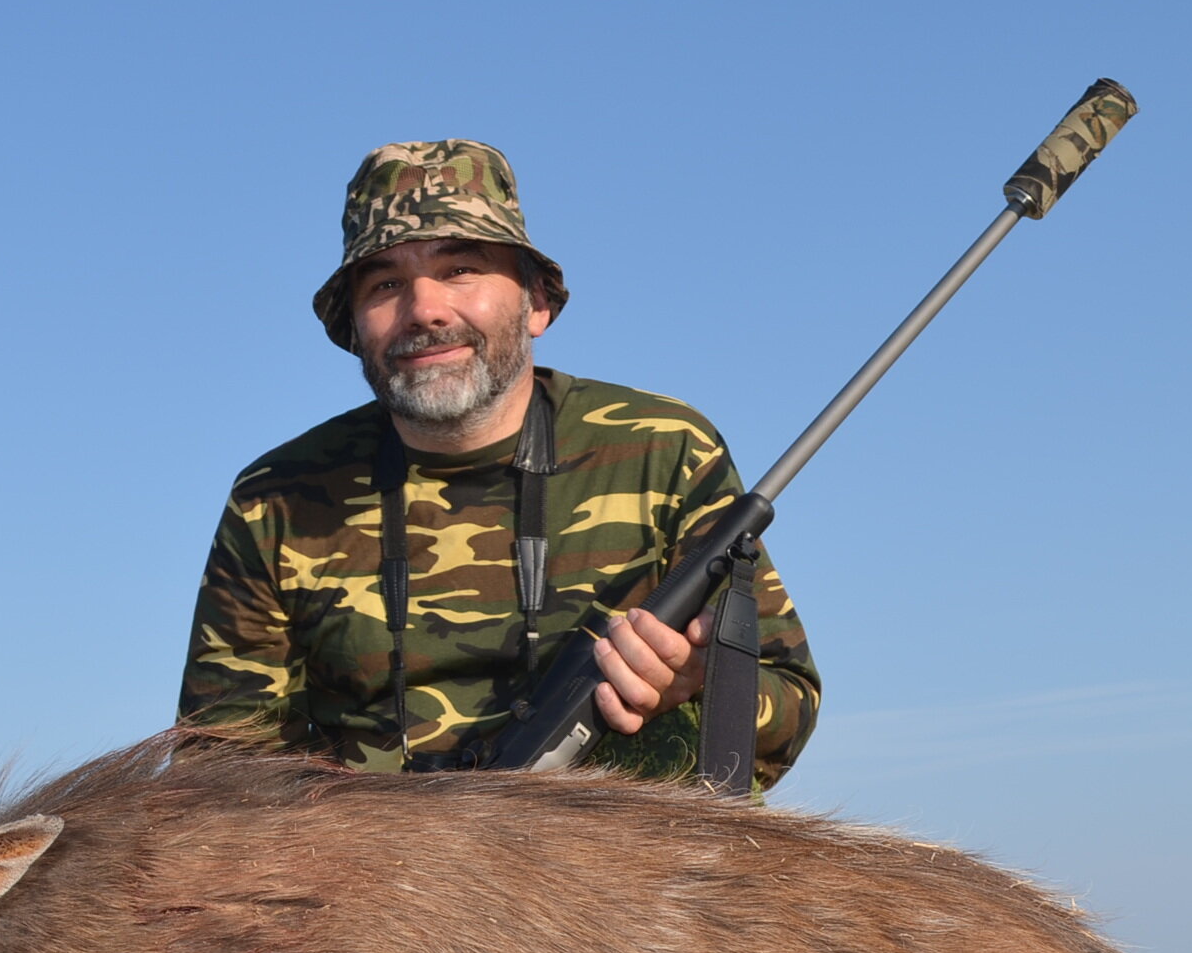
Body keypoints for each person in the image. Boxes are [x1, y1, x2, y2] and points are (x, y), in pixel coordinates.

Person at [177, 139, 818, 786]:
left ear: (536, 303)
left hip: (637, 868)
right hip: (385, 878)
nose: (424, 309)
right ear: (356, 329)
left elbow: (789, 708)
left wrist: (700, 683)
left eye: (461, 271)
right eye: (386, 283)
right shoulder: (275, 500)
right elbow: (219, 776)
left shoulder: (665, 448)